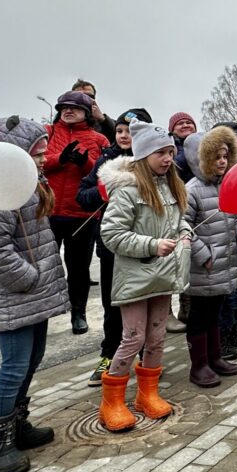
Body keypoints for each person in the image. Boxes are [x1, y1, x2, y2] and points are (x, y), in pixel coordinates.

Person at [0, 116, 70, 472]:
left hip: (32, 296)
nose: (45, 158)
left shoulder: (28, 185)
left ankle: (16, 426)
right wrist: (29, 278)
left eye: (44, 151)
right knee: (13, 367)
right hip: (15, 296)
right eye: (37, 152)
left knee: (30, 361)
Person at [97, 122, 191, 432]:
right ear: (144, 154)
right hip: (136, 278)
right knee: (133, 338)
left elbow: (178, 223)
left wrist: (185, 234)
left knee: (156, 337)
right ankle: (112, 401)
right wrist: (151, 245)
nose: (167, 158)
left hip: (162, 276)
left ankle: (147, 395)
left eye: (170, 152)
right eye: (161, 153)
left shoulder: (171, 186)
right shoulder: (128, 190)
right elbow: (111, 234)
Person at [76, 107, 152, 387]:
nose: (123, 136)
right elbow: (81, 196)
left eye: (130, 132)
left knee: (145, 303)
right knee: (113, 305)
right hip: (112, 247)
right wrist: (102, 191)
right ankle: (109, 357)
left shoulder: (153, 161)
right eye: (119, 130)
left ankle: (147, 356)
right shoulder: (105, 161)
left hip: (146, 246)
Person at [184, 126, 237, 387]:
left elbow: (234, 220)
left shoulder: (228, 186)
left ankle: (215, 357)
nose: (222, 161)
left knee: (215, 312)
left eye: (226, 156)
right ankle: (198, 365)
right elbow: (182, 226)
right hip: (204, 266)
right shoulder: (193, 189)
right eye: (217, 157)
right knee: (200, 314)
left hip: (224, 263)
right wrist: (203, 255)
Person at [43, 91, 109, 335]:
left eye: (74, 107)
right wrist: (58, 159)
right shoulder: (48, 132)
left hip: (82, 215)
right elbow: (35, 161)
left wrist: (85, 164)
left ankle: (78, 312)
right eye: (64, 107)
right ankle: (44, 313)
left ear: (86, 112)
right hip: (47, 210)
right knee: (45, 266)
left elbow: (103, 175)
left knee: (78, 267)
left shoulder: (99, 139)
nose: (68, 111)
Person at [166, 111, 198, 333]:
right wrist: (185, 152)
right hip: (172, 208)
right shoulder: (170, 148)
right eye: (180, 123)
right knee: (170, 260)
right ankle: (166, 312)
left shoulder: (201, 144)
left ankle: (187, 307)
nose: (185, 125)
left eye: (189, 122)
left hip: (195, 207)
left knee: (190, 260)